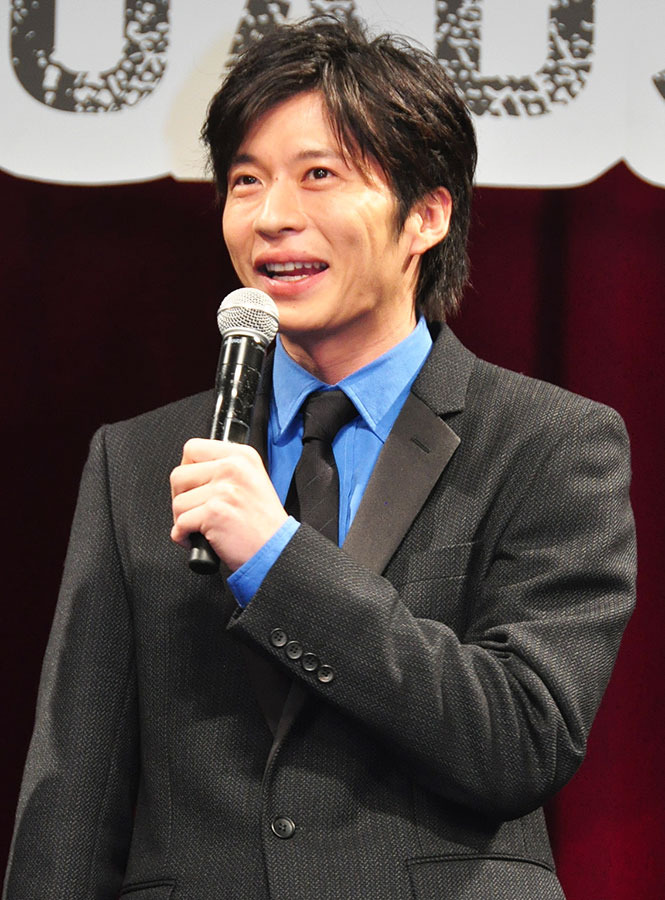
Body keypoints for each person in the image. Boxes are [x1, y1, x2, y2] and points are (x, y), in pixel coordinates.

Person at [4, 17, 636, 900]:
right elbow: (74, 789)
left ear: (425, 214)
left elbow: (521, 740)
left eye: (318, 175)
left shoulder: (549, 442)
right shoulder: (137, 456)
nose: (271, 217)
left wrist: (276, 558)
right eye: (246, 181)